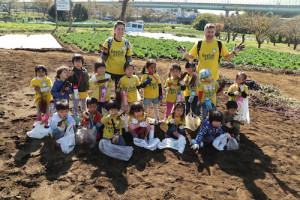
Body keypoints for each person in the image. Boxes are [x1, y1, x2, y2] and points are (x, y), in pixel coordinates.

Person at [177, 23, 245, 81]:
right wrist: (185, 54)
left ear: (214, 33)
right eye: (208, 32)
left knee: (212, 96)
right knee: (200, 96)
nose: (210, 34)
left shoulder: (219, 44)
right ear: (204, 32)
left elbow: (227, 57)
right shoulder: (199, 44)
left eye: (212, 32)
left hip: (214, 78)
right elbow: (191, 58)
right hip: (201, 77)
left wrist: (234, 52)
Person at [99, 20, 133, 91]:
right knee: (104, 91)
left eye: (122, 29)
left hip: (121, 72)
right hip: (109, 71)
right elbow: (103, 58)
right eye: (118, 29)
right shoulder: (109, 42)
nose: (120, 31)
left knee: (119, 92)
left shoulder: (127, 43)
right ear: (114, 30)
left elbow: (129, 59)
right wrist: (105, 52)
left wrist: (129, 70)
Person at [68, 54, 89, 126]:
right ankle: (76, 121)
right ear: (73, 63)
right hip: (76, 92)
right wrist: (70, 76)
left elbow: (87, 80)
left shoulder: (85, 70)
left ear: (82, 62)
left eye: (79, 62)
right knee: (75, 106)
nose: (78, 64)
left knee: (84, 106)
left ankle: (84, 119)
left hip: (84, 92)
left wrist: (87, 89)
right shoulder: (72, 71)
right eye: (76, 62)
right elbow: (70, 81)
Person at [140, 59, 162, 125]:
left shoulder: (157, 75)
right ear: (147, 68)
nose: (153, 69)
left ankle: (157, 119)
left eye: (154, 68)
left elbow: (159, 85)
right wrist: (145, 83)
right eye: (151, 67)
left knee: (156, 107)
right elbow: (141, 85)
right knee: (144, 108)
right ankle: (141, 119)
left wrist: (160, 94)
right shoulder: (144, 76)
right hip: (147, 96)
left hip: (155, 95)